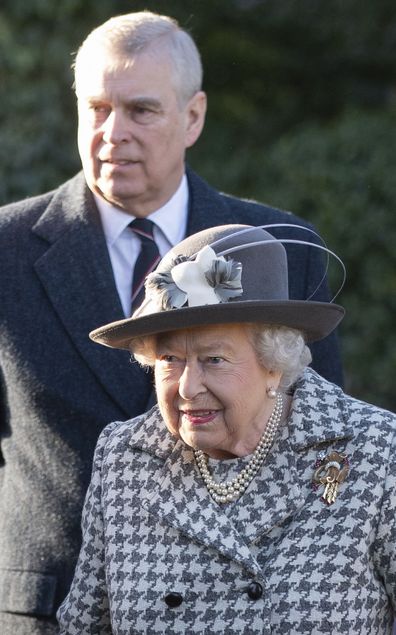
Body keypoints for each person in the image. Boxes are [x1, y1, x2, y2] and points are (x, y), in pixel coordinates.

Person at [0, 11, 343, 634]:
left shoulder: (282, 247)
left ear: (193, 117)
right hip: (51, 608)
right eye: (96, 108)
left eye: (141, 110)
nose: (112, 133)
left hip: (248, 600)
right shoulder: (6, 248)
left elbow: (326, 435)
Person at [57, 223, 396, 634]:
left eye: (213, 359)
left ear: (274, 363)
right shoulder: (124, 458)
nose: (187, 386)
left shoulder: (375, 451)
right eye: (169, 358)